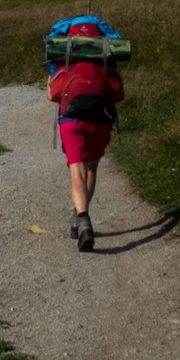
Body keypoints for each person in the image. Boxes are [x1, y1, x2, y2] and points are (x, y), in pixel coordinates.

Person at [48, 51, 123, 251]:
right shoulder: (106, 63)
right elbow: (118, 94)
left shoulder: (63, 62)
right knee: (91, 169)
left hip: (72, 122)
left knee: (77, 170)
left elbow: (52, 95)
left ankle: (83, 220)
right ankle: (80, 217)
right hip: (100, 123)